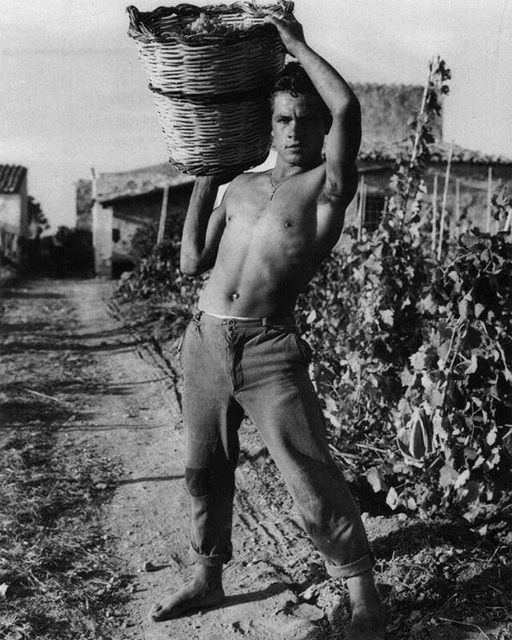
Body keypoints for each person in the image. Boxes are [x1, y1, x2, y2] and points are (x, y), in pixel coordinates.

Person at [151, 12, 385, 639]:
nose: (294, 130)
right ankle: (207, 575)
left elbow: (348, 106)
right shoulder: (241, 188)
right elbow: (192, 260)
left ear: (323, 129)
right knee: (204, 466)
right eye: (283, 119)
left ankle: (362, 595)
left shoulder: (327, 188)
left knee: (309, 471)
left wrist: (295, 45)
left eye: (306, 120)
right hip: (205, 338)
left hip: (268, 346)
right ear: (269, 123)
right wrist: (207, 173)